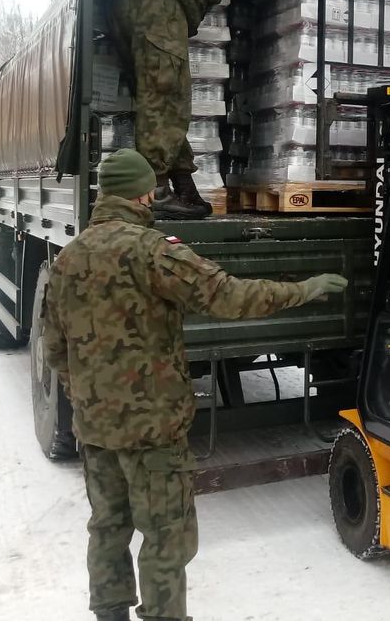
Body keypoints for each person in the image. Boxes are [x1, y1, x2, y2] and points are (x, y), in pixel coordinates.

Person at [41, 148, 348, 621]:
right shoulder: (152, 251)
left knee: (107, 525)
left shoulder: (69, 257)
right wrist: (305, 289)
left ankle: (109, 613)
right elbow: (228, 296)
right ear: (144, 193)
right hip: (154, 431)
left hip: (97, 428)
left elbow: (55, 348)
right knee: (166, 534)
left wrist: (90, 398)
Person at [108, 0, 314, 220]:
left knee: (160, 94)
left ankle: (183, 186)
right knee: (167, 92)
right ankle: (157, 191)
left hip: (137, 2)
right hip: (154, 1)